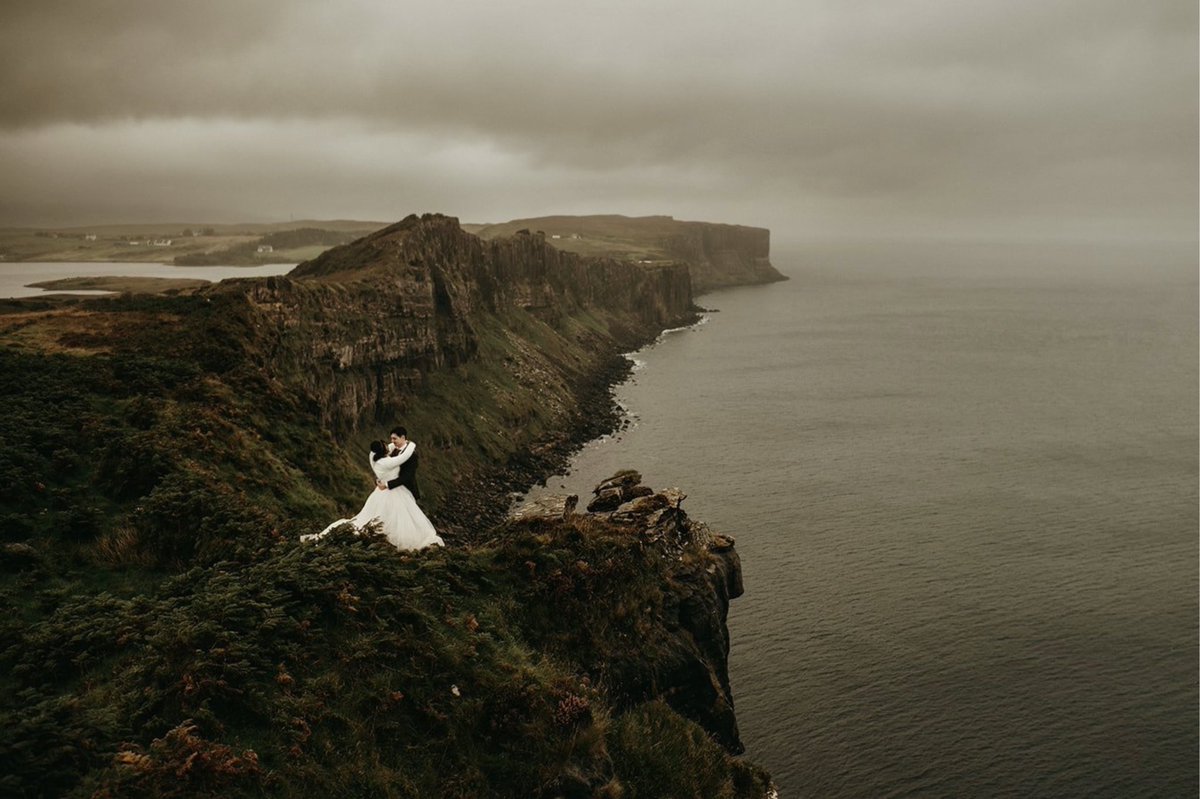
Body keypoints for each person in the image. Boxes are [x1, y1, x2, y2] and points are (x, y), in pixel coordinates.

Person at [303, 433, 443, 550]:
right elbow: (403, 457)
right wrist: (410, 444)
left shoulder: (374, 458)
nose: (390, 444)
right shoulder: (387, 462)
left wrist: (397, 442)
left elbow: (389, 447)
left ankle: (378, 536)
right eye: (386, 445)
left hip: (380, 492)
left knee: (378, 516)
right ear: (384, 451)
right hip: (391, 491)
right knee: (395, 515)